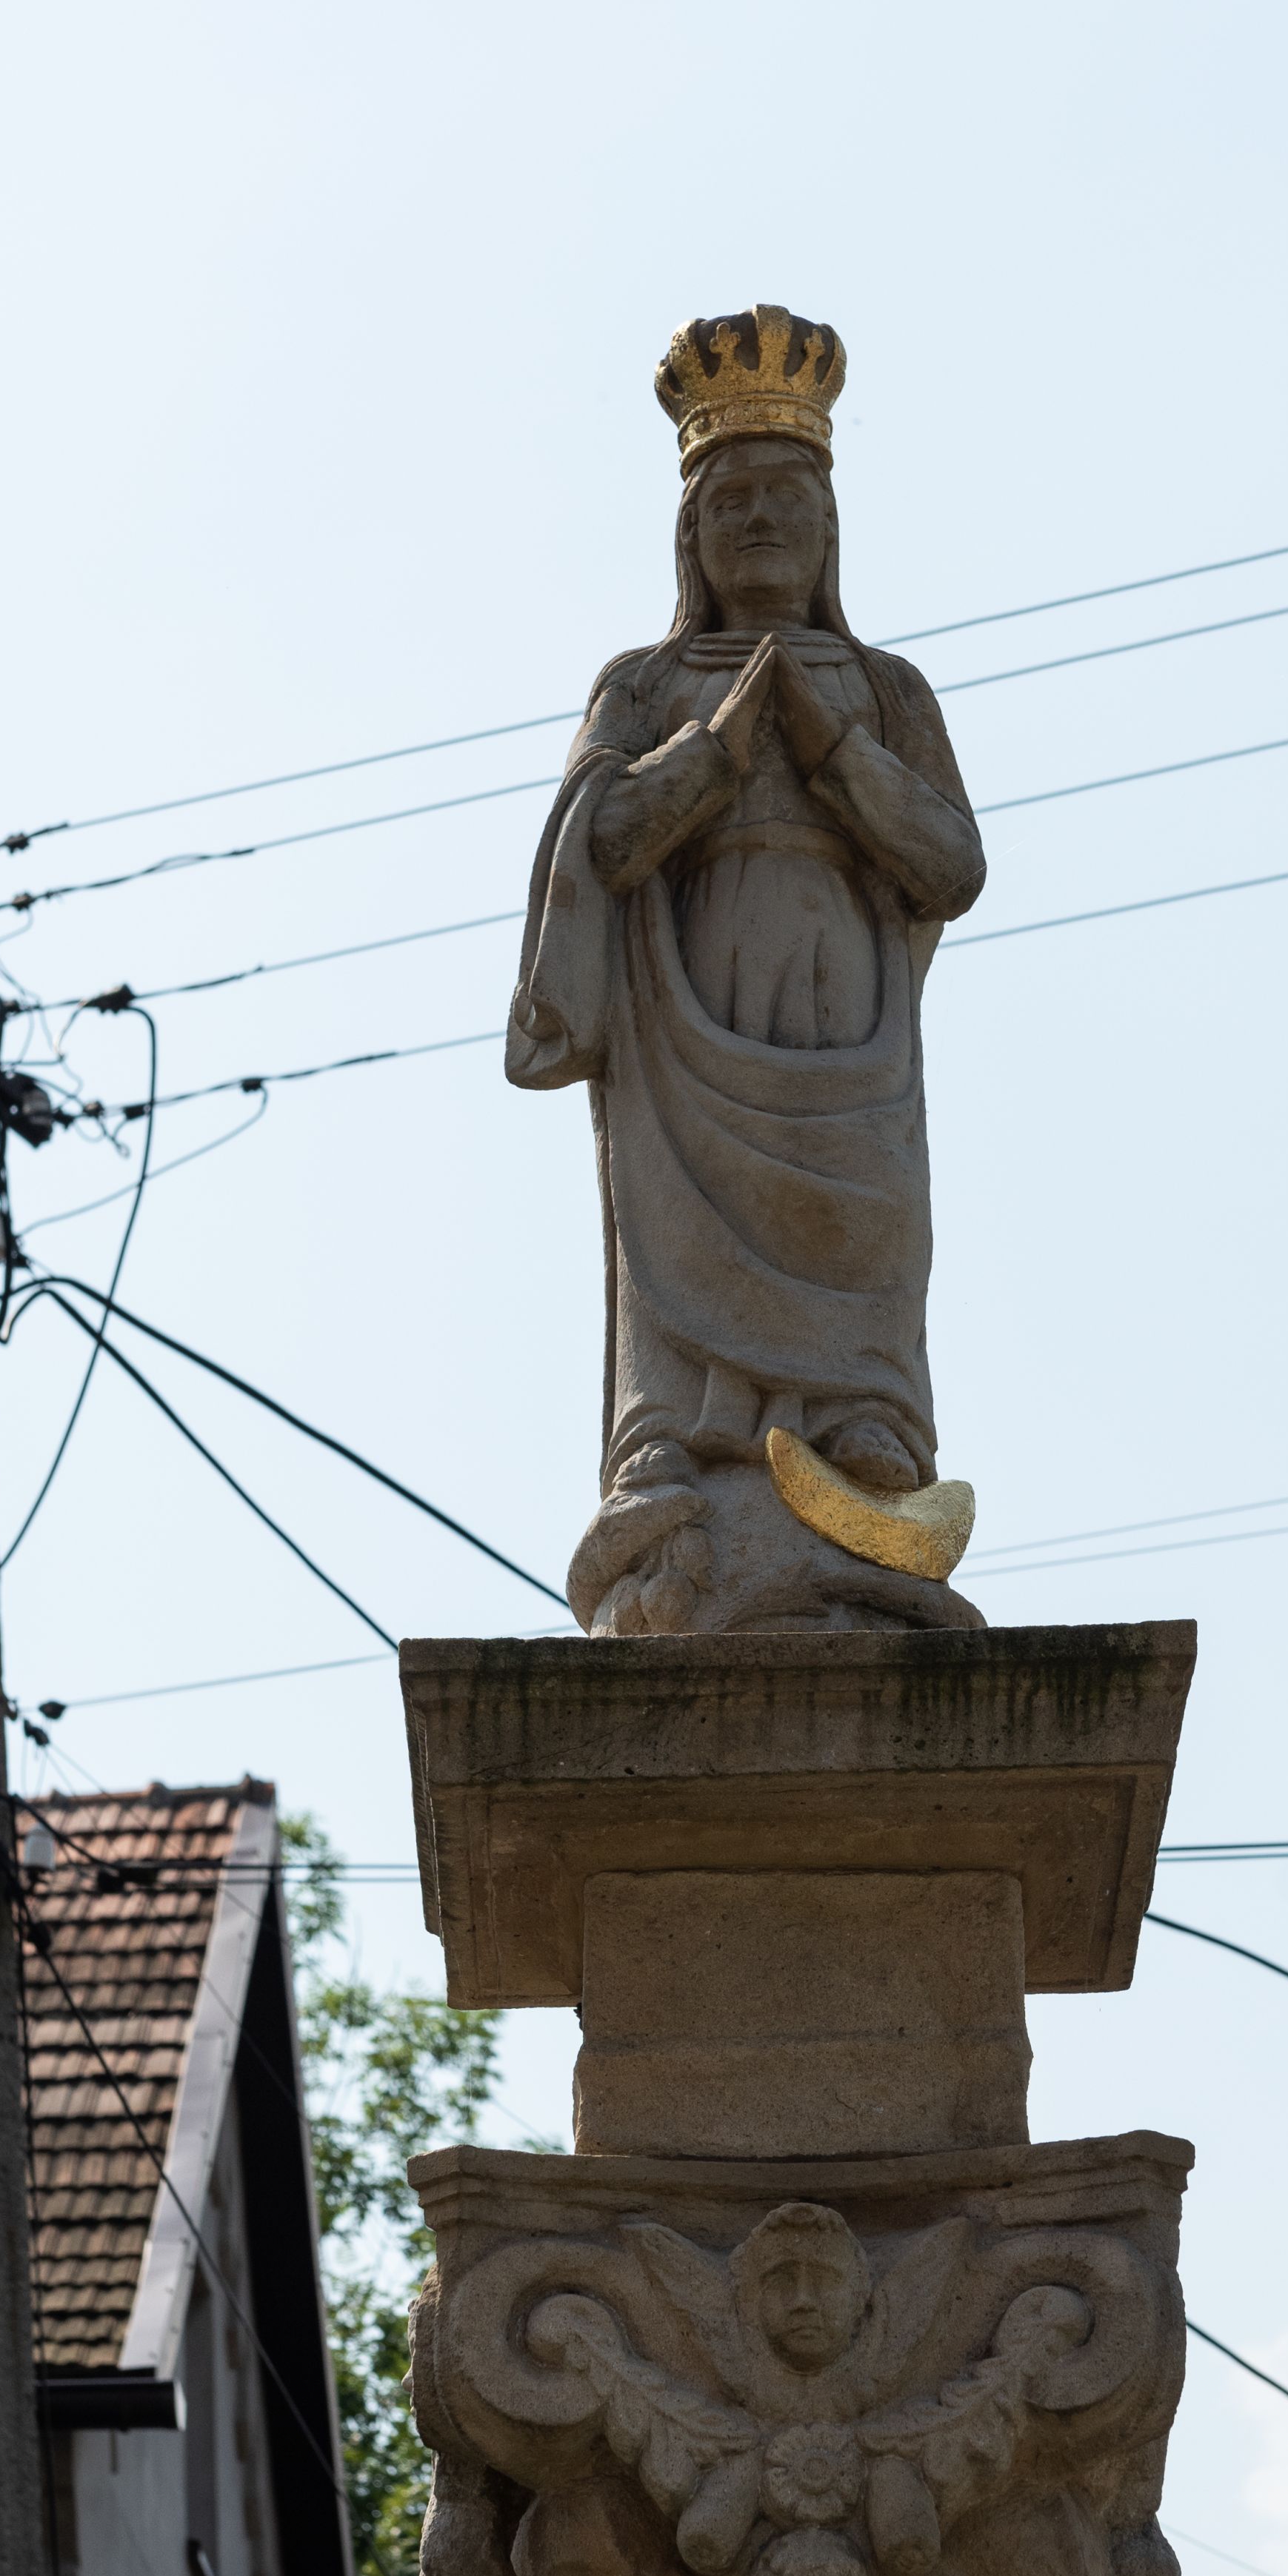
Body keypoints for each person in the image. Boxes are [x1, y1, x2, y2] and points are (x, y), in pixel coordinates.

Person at [509, 306, 987, 1635]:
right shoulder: (646, 683)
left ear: (831, 528)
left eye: (789, 498)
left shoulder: (886, 687)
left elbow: (951, 864)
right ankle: (670, 1438)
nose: (762, 521)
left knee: (864, 1218)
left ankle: (864, 1421)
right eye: (733, 503)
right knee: (671, 1225)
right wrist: (716, 747)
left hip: (850, 1018)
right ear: (691, 536)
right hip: (687, 1010)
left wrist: (834, 750)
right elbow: (601, 838)